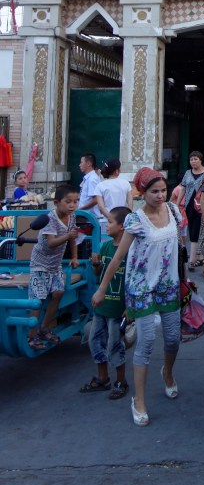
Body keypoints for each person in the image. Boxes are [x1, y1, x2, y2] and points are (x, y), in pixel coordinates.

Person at [92, 169, 181, 427]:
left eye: (163, 190)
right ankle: (139, 400)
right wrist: (102, 289)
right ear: (142, 193)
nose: (160, 196)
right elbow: (119, 257)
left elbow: (179, 248)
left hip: (168, 285)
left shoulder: (174, 212)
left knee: (173, 338)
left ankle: (168, 372)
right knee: (147, 341)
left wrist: (186, 281)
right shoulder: (135, 220)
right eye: (154, 191)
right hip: (141, 286)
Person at [80, 206, 130, 399]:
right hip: (101, 304)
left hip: (118, 307)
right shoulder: (106, 246)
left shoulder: (129, 252)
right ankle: (102, 378)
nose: (106, 225)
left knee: (115, 344)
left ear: (122, 227)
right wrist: (96, 265)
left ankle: (121, 381)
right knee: (95, 341)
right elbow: (99, 276)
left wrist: (130, 307)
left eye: (110, 222)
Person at [27, 183, 80, 350]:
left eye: (75, 201)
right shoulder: (50, 219)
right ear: (57, 203)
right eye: (68, 201)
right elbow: (51, 243)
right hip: (40, 264)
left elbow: (73, 239)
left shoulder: (72, 217)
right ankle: (32, 336)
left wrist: (74, 257)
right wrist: (67, 236)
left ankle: (44, 328)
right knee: (38, 299)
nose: (72, 205)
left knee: (58, 292)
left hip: (55, 265)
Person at [178, 151, 204, 272]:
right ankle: (197, 256)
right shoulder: (187, 173)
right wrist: (178, 203)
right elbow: (183, 187)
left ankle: (194, 259)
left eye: (195, 159)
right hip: (189, 205)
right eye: (191, 160)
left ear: (201, 160)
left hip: (202, 205)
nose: (193, 161)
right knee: (193, 229)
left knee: (201, 230)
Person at [95, 159, 132, 235]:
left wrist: (111, 219)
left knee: (107, 243)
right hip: (123, 221)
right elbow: (130, 202)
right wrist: (127, 216)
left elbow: (101, 207)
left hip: (107, 222)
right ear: (117, 171)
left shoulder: (100, 186)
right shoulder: (125, 183)